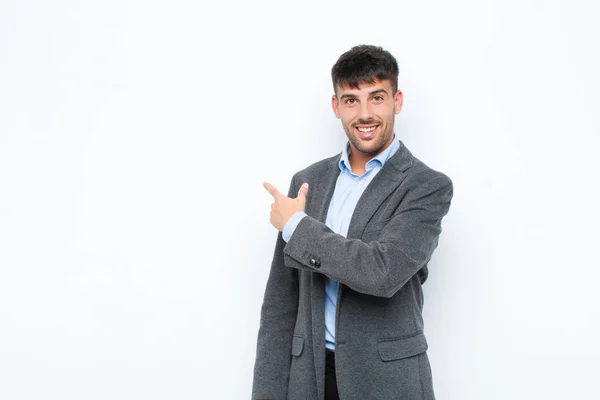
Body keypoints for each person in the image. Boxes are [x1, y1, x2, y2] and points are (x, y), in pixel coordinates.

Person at [253, 45, 453, 400]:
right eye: (350, 100)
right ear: (336, 106)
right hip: (309, 377)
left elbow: (383, 271)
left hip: (386, 381)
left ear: (397, 100)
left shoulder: (426, 186)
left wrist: (296, 227)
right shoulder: (307, 182)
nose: (364, 114)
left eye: (377, 97)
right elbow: (280, 308)